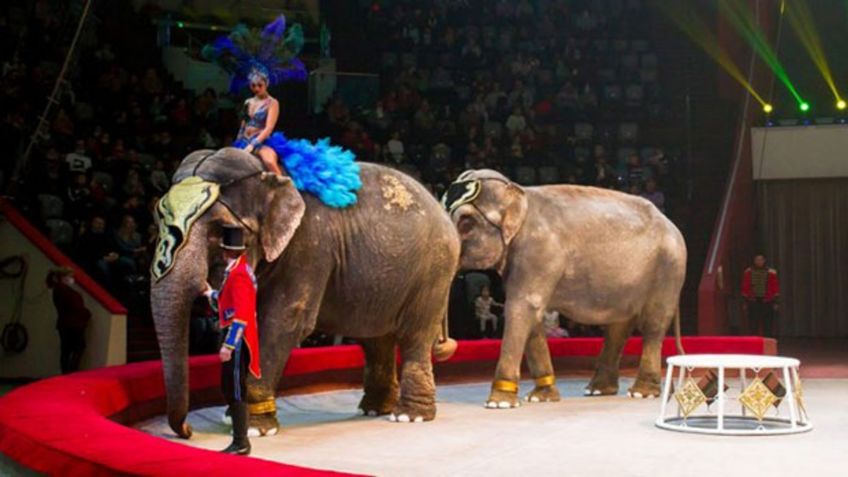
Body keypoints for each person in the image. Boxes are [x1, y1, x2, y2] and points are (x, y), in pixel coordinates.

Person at [203, 15, 307, 175]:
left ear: (266, 84)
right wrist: (239, 142)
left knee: (269, 161)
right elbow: (243, 124)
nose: (256, 88)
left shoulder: (272, 103)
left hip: (262, 141)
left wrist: (253, 144)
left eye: (259, 85)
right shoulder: (248, 101)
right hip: (243, 141)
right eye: (253, 85)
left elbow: (269, 127)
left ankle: (284, 188)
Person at [202, 225, 261, 455]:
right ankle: (240, 439)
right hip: (234, 336)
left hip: (237, 340)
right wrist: (211, 295)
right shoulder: (236, 271)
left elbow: (242, 314)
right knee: (229, 386)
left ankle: (241, 442)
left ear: (227, 251)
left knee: (235, 388)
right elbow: (229, 303)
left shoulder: (239, 275)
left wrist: (229, 345)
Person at [46, 267, 91, 374]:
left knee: (66, 350)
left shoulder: (58, 290)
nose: (72, 279)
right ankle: (71, 371)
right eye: (70, 276)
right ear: (63, 277)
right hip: (74, 324)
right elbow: (76, 307)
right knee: (78, 348)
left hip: (65, 324)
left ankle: (66, 372)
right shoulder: (65, 291)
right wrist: (87, 314)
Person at [741, 254, 780, 337]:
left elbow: (775, 287)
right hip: (753, 300)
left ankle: (767, 340)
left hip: (767, 300)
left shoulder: (771, 272)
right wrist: (745, 301)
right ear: (754, 261)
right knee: (753, 323)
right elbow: (745, 286)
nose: (759, 262)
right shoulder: (748, 272)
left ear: (764, 261)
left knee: (768, 323)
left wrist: (776, 302)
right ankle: (754, 341)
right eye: (757, 260)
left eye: (760, 260)